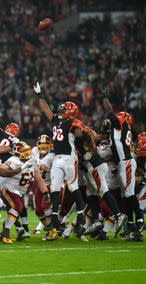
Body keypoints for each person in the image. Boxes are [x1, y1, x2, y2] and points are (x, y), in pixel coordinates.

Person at [34, 82, 90, 241]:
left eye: (65, 109)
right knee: (60, 189)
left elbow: (79, 132)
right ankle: (56, 222)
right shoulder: (64, 121)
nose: (62, 110)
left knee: (66, 188)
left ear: (70, 112)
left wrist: (40, 95)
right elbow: (47, 110)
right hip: (61, 158)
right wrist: (40, 95)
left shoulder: (69, 121)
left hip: (65, 158)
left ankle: (78, 218)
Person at [102, 89, 143, 241]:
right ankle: (132, 223)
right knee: (125, 194)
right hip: (123, 162)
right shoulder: (121, 130)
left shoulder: (121, 125)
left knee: (129, 194)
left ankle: (139, 222)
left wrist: (105, 97)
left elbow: (109, 112)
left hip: (125, 162)